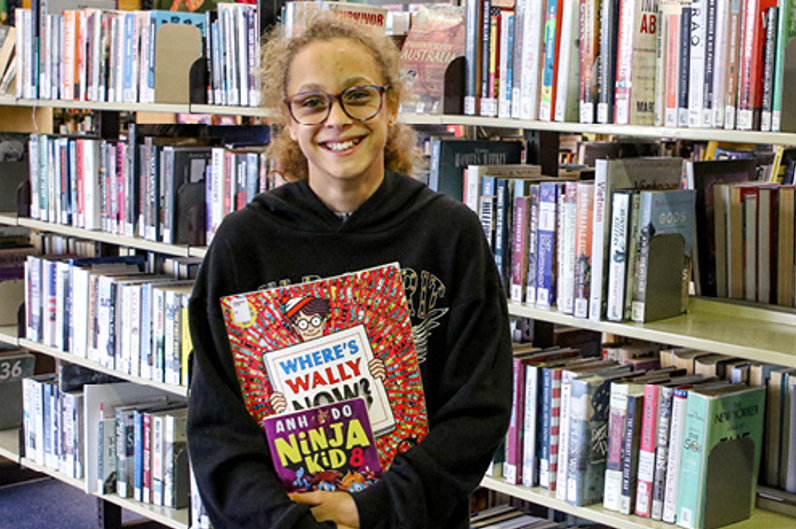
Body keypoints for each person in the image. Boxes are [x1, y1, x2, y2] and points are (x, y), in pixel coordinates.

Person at [187, 11, 513, 529]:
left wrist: (371, 509)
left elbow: (479, 408)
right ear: (289, 122)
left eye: (358, 95)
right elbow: (216, 425)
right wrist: (288, 522)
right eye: (312, 103)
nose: (336, 119)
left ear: (391, 107)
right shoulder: (244, 242)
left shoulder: (450, 234)